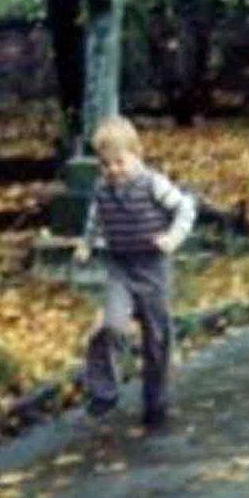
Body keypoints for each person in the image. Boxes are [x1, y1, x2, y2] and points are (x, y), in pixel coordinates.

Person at [75, 115, 196, 430]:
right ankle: (103, 391)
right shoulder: (102, 189)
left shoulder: (153, 183)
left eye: (120, 162)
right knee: (111, 326)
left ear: (136, 155)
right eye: (105, 164)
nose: (113, 170)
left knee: (157, 337)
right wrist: (87, 245)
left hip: (152, 267)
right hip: (120, 267)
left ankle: (156, 402)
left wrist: (172, 238)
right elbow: (95, 220)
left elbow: (185, 208)